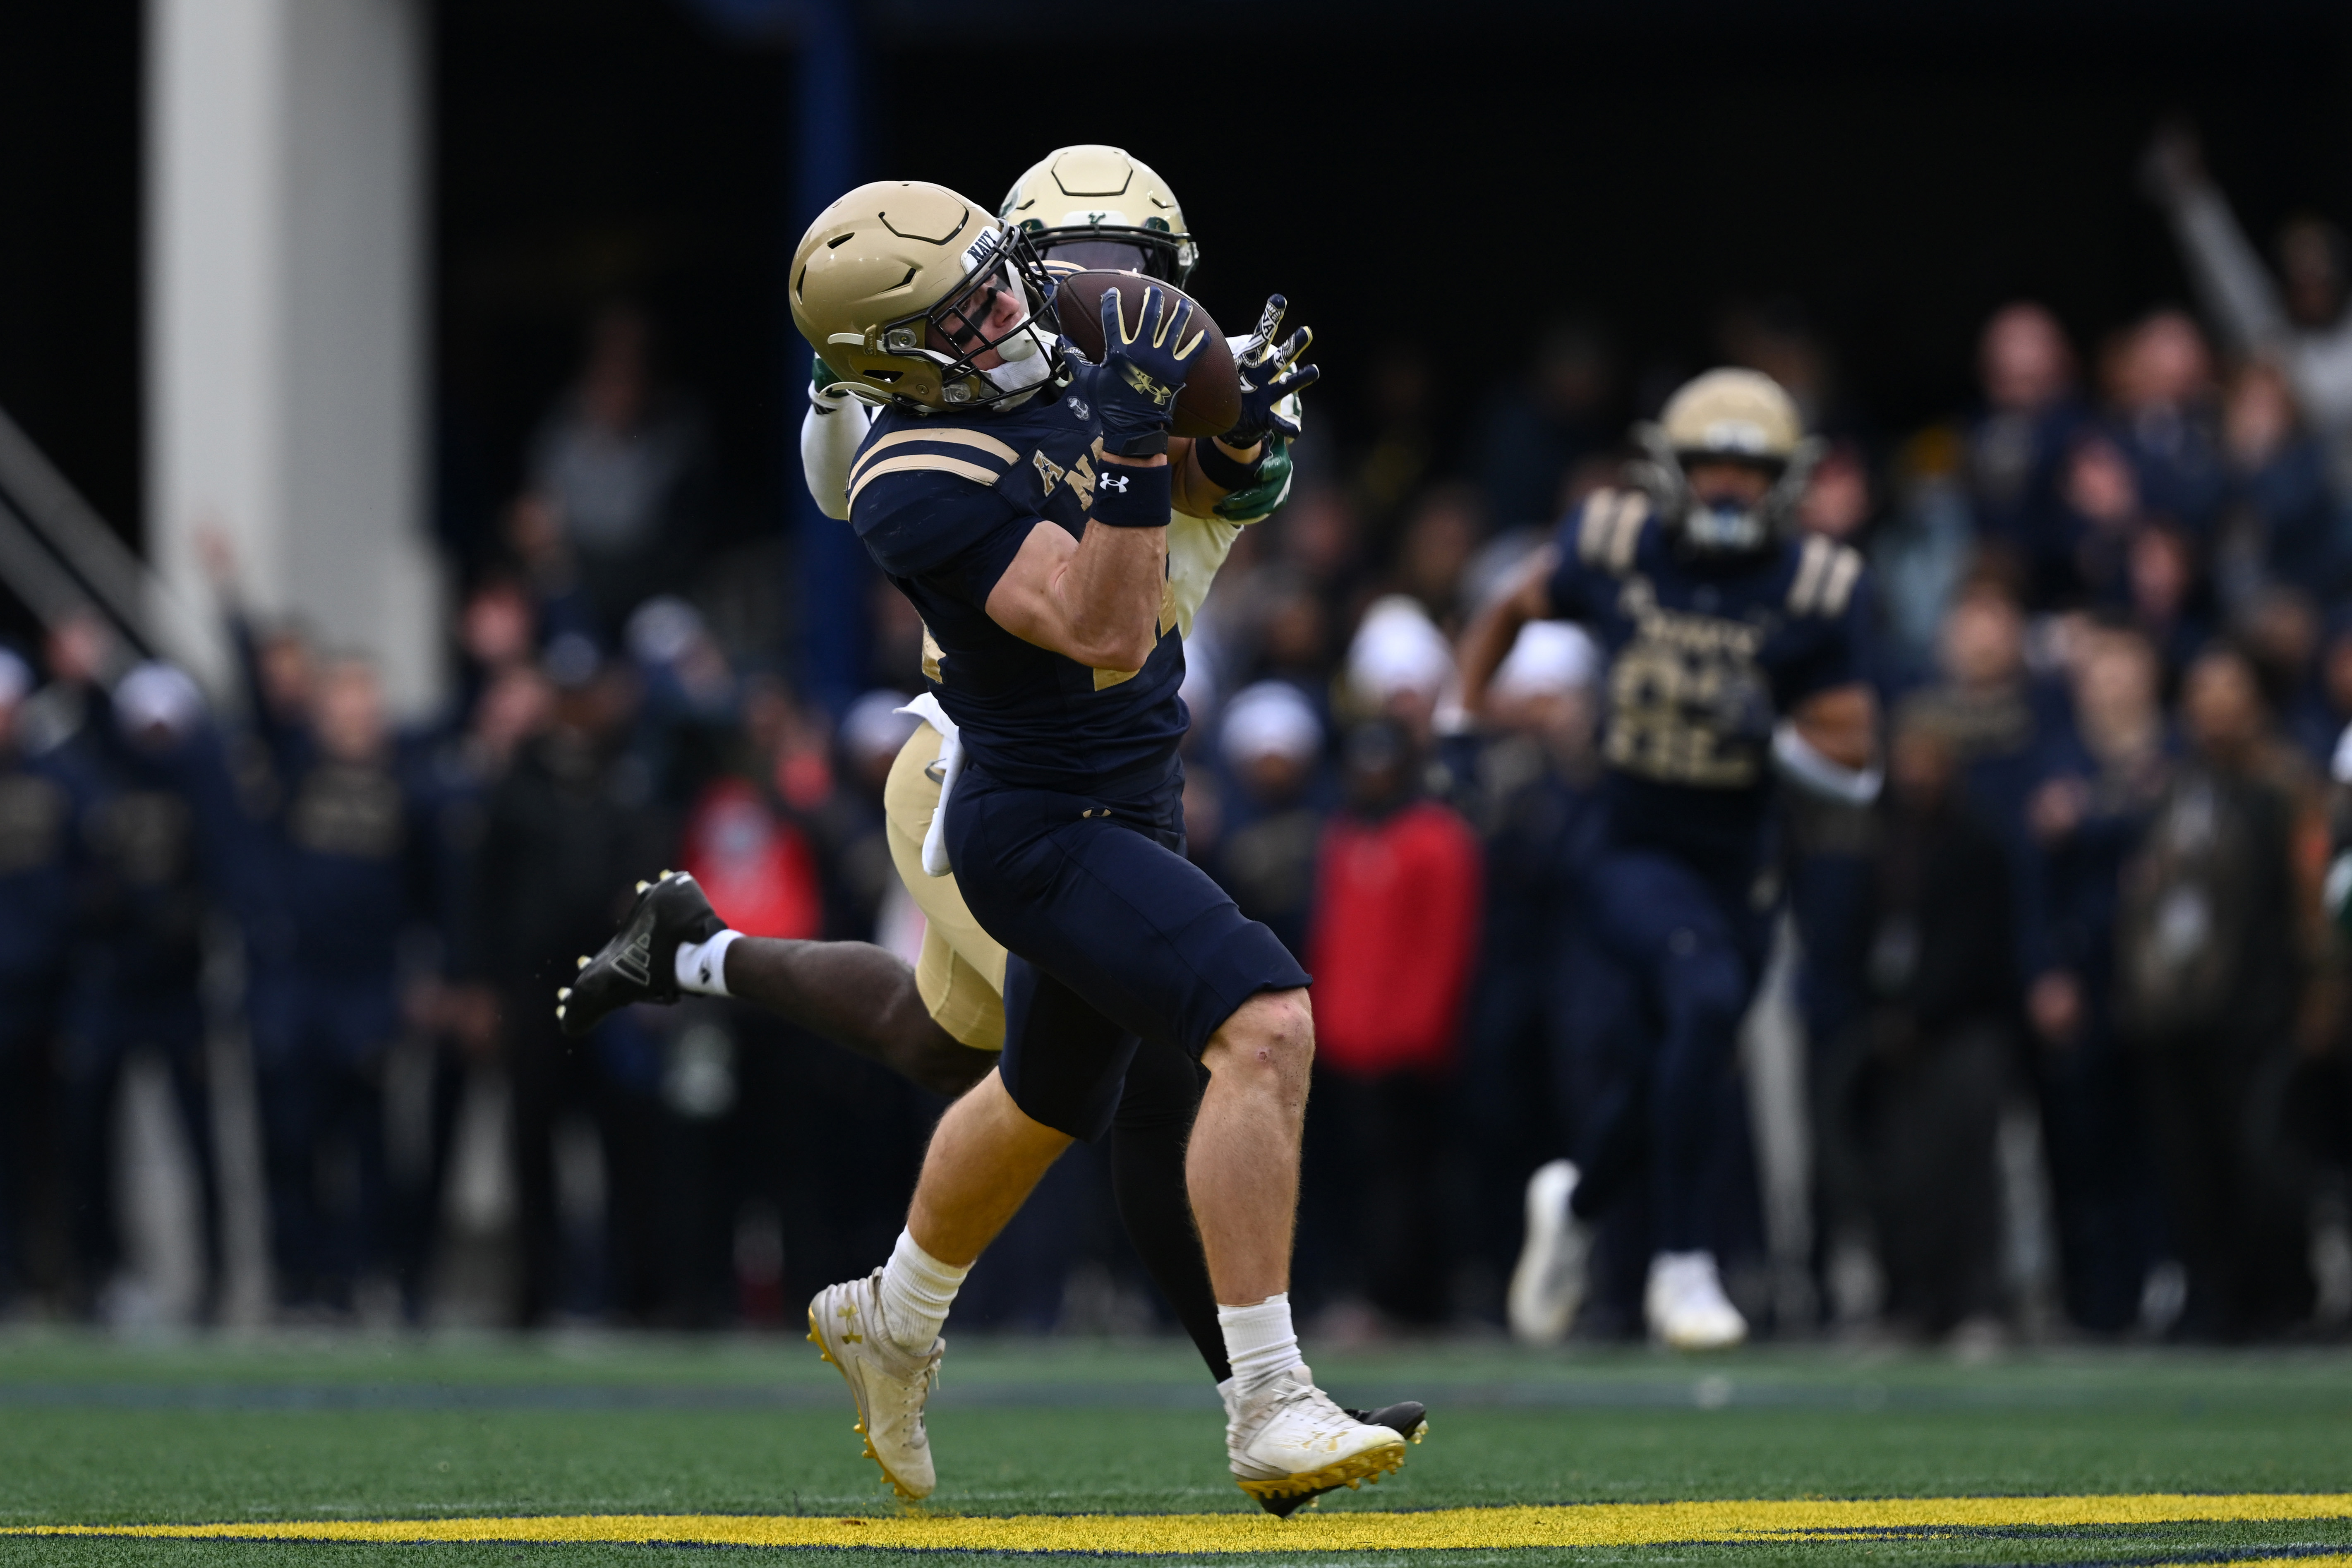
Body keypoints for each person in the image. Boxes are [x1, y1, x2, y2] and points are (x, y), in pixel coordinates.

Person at [568, 175, 1416, 1510]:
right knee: (1258, 1026)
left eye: (994, 275)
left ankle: (890, 1317)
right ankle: (1268, 1400)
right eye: (962, 309)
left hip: (1134, 779)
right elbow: (1106, 626)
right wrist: (1139, 435)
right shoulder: (913, 473)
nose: (1007, 309)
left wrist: (1232, 438)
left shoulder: (1042, 315)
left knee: (1031, 1088)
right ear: (894, 361)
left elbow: (1203, 474)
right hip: (1032, 813)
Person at [1458, 368, 1880, 1349]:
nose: (1730, 483)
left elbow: (1858, 765)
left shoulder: (1818, 584)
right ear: (1669, 470)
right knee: (1697, 1005)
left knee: (1678, 1059)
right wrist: (1456, 717)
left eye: (1751, 466)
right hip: (1629, 841)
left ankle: (1579, 1198)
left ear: (1786, 478)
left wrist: (1771, 733)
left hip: (1741, 863)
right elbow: (1511, 606)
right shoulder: (1613, 542)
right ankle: (1680, 1266)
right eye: (1710, 463)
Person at [2143, 124, 2352, 497]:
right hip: (2285, 515)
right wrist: (2191, 196)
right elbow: (2228, 277)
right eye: (2301, 280)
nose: (2313, 289)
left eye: (2322, 277)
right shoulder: (2275, 341)